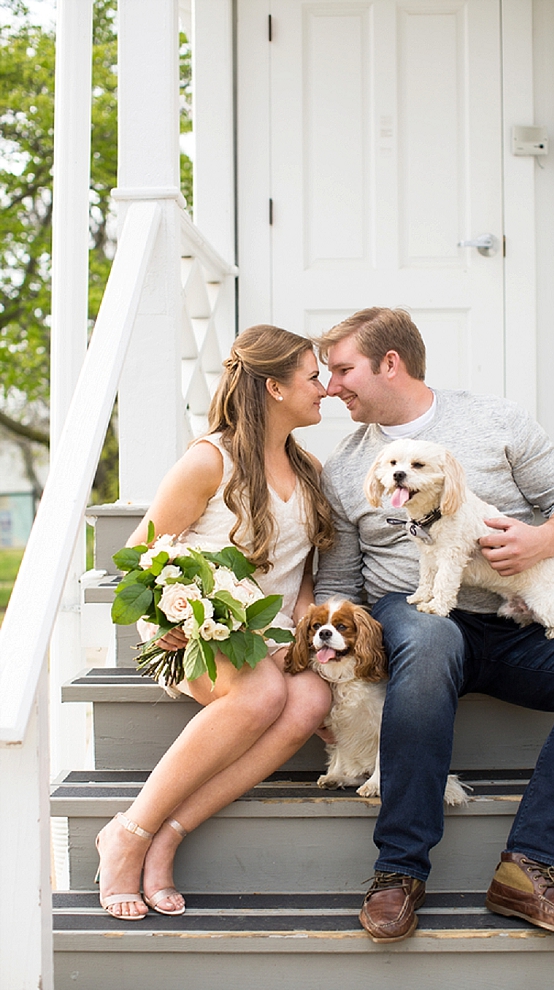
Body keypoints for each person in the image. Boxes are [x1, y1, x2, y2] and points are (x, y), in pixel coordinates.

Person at [313, 307, 554, 942]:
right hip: (414, 619)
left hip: (518, 615)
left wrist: (543, 539)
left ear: (391, 363)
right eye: (328, 374)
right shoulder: (346, 467)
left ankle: (533, 866)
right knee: (432, 637)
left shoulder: (498, 420)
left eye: (343, 369)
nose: (331, 386)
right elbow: (337, 584)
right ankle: (399, 872)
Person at [95, 325, 334, 919]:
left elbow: (300, 576)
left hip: (272, 635)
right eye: (313, 377)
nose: (325, 389)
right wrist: (174, 620)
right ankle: (128, 832)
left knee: (307, 703)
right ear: (275, 388)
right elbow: (140, 559)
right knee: (259, 696)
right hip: (196, 632)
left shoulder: (308, 469)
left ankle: (171, 833)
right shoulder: (209, 461)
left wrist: (305, 638)